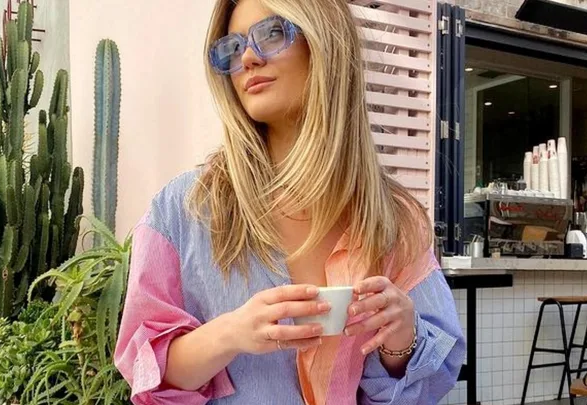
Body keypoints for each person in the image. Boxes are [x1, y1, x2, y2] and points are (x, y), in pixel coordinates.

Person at [114, 0, 465, 404]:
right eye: (232, 47)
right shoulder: (184, 208)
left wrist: (400, 340)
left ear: (325, 42)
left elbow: (431, 376)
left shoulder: (393, 218)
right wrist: (232, 333)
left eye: (272, 33)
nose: (247, 57)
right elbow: (150, 374)